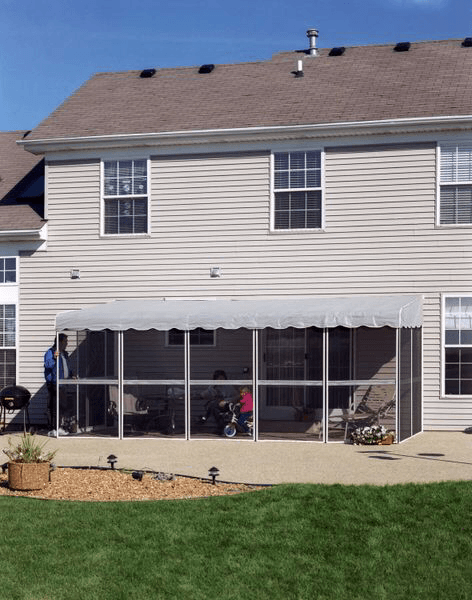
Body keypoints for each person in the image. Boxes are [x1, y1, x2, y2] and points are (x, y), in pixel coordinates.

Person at [44, 333, 74, 432]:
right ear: (60, 342)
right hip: (54, 384)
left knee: (62, 406)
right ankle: (53, 428)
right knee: (54, 407)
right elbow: (48, 365)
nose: (67, 344)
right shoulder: (51, 352)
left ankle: (60, 427)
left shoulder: (64, 354)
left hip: (63, 384)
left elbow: (65, 367)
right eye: (65, 341)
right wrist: (54, 357)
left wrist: (71, 374)